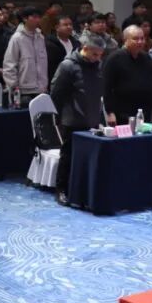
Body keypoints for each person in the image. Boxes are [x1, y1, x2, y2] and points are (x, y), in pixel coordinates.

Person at [50, 32, 106, 206]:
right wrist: (59, 118)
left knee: (87, 157)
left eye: (100, 55)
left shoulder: (97, 65)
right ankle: (61, 190)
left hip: (92, 118)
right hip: (71, 119)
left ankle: (81, 190)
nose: (98, 58)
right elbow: (56, 94)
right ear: (85, 48)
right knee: (68, 156)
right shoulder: (67, 66)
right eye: (94, 54)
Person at [101, 25, 152, 125]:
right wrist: (110, 112)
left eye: (142, 38)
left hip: (144, 112)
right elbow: (106, 87)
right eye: (135, 39)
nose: (140, 42)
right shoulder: (114, 58)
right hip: (122, 113)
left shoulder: (146, 58)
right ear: (125, 40)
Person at [2, 6, 48, 105]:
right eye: (34, 17)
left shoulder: (41, 37)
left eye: (39, 17)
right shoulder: (17, 38)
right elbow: (9, 65)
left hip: (41, 89)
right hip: (24, 91)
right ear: (25, 18)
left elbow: (44, 63)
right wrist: (15, 87)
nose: (38, 20)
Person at [45, 15, 80, 84]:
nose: (69, 27)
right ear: (57, 28)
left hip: (74, 79)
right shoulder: (49, 44)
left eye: (70, 24)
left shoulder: (76, 43)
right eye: (65, 25)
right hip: (56, 80)